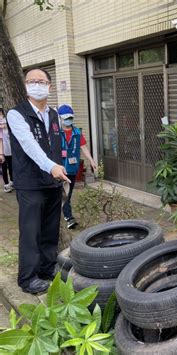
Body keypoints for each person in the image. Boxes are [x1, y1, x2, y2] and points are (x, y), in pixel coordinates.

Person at [7, 68, 70, 295]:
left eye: (41, 81)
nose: (36, 84)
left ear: (49, 86)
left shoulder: (54, 115)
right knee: (31, 231)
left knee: (50, 230)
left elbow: (56, 146)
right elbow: (29, 146)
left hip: (52, 183)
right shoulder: (16, 114)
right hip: (30, 184)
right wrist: (51, 166)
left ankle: (47, 268)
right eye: (31, 81)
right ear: (25, 86)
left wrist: (59, 168)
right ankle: (28, 278)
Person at [58, 104, 97, 229]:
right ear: (60, 118)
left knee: (67, 193)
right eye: (65, 118)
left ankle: (64, 214)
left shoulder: (76, 132)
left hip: (72, 168)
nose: (68, 120)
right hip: (59, 168)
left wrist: (91, 160)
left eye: (70, 117)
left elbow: (83, 147)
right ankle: (69, 217)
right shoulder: (56, 132)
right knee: (65, 193)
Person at [0, 108, 14, 192]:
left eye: (1, 114)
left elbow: (5, 125)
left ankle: (12, 182)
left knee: (11, 166)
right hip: (2, 152)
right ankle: (6, 185)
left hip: (9, 150)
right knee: (4, 167)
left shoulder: (7, 124)